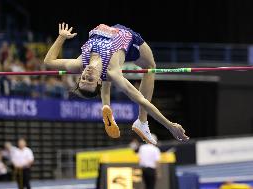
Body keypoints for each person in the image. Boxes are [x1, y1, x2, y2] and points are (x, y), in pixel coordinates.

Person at [44, 23, 189, 144]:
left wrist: (61, 37)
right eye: (90, 80)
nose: (86, 75)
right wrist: (170, 126)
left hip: (110, 31)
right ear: (97, 81)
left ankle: (106, 107)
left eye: (83, 78)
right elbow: (142, 101)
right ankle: (142, 121)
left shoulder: (80, 63)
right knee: (150, 68)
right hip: (127, 39)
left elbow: (48, 61)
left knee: (107, 75)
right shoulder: (113, 72)